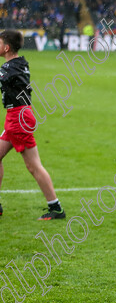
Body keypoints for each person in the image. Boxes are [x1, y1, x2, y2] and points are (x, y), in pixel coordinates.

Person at [0, 30, 63, 220]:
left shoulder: (9, 69)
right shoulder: (17, 64)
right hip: (18, 115)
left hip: (19, 117)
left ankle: (56, 208)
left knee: (33, 166)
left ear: (6, 47)